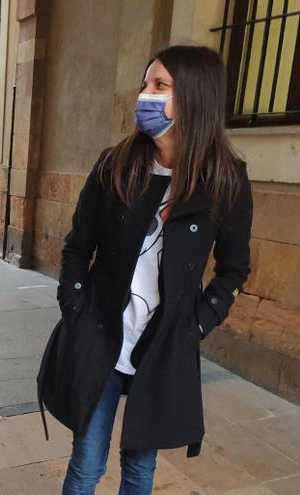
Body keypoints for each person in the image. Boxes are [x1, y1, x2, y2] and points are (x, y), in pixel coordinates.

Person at [37, 45, 253, 495]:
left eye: (160, 86)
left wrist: (195, 325)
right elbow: (78, 245)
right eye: (145, 83)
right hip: (102, 333)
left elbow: (233, 269)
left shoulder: (226, 179)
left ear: (195, 97)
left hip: (163, 345)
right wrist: (75, 306)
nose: (145, 95)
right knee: (86, 464)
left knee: (139, 467)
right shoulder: (115, 165)